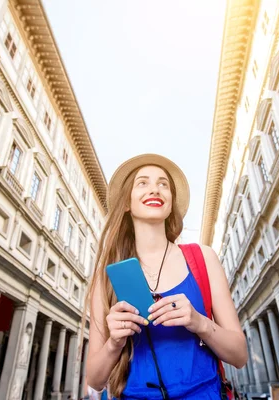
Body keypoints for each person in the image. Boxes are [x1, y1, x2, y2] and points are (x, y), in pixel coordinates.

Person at [85, 154, 248, 399]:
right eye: (143, 183)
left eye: (164, 184)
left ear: (171, 202)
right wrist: (114, 344)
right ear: (127, 203)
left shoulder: (203, 258)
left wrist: (199, 322)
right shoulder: (107, 276)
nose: (155, 189)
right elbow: (95, 381)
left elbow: (240, 355)